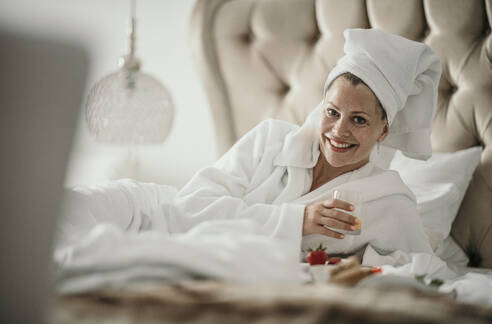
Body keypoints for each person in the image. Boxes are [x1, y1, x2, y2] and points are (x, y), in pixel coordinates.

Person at [58, 28, 442, 270]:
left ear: (383, 129)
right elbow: (187, 206)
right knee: (57, 213)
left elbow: (420, 268)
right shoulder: (271, 139)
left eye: (359, 119)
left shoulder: (389, 201)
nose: (338, 131)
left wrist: (354, 263)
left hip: (194, 259)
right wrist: (298, 222)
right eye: (332, 112)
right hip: (150, 214)